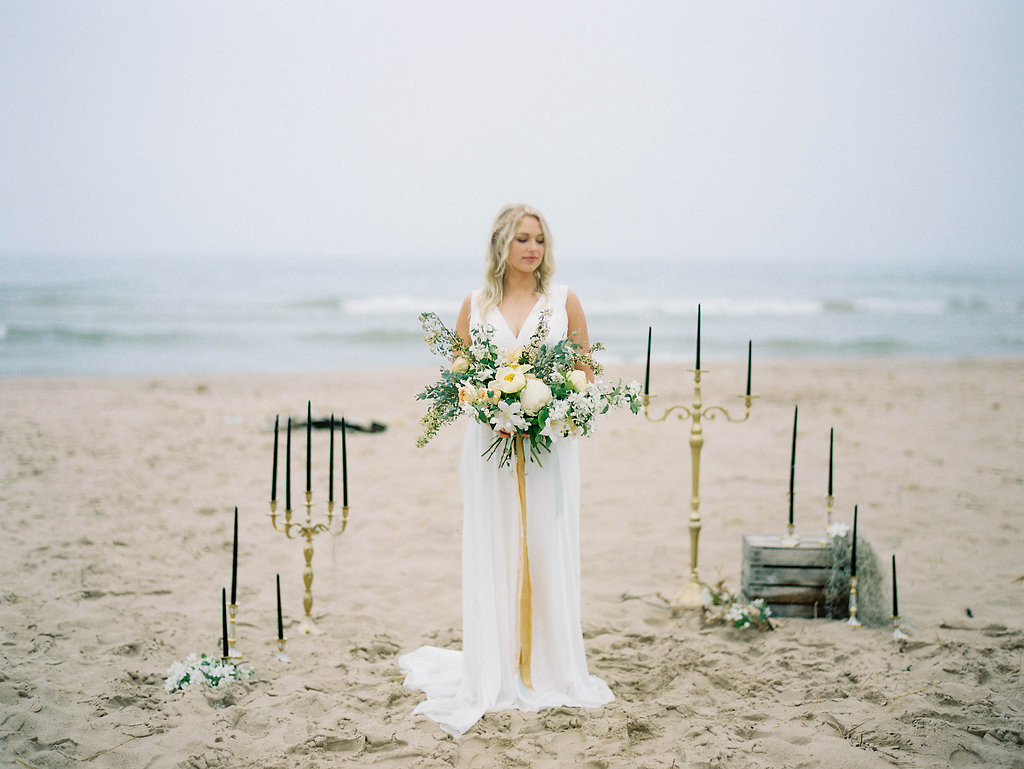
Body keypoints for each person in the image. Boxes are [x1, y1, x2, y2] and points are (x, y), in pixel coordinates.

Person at [399, 204, 613, 737]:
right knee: (495, 544)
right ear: (501, 245)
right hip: (489, 447)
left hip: (549, 446)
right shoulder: (475, 304)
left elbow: (586, 368)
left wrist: (555, 404)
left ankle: (550, 668)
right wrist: (488, 405)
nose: (532, 248)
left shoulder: (564, 302)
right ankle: (497, 665)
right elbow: (460, 372)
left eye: (539, 239)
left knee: (546, 543)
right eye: (521, 239)